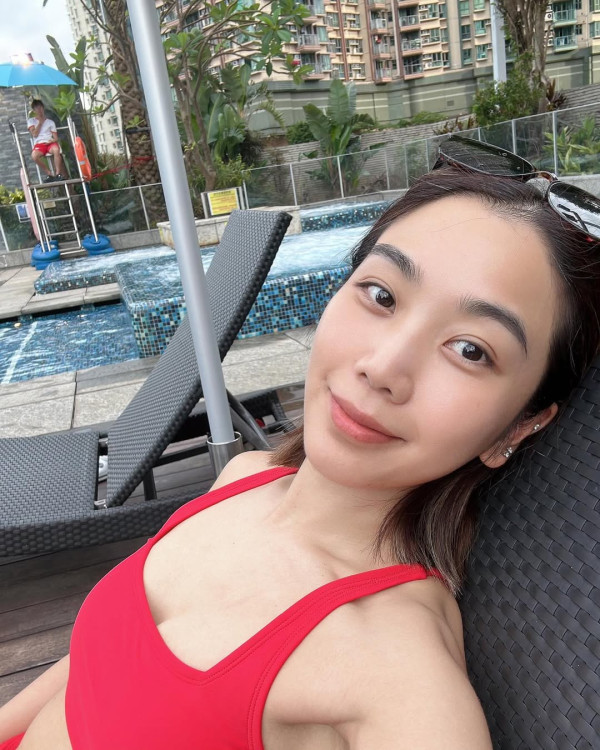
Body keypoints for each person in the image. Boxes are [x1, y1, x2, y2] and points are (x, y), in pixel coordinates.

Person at [1, 137, 600, 750]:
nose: (382, 367)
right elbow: (88, 666)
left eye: (470, 350)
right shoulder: (244, 477)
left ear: (518, 427)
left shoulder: (397, 682)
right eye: (382, 295)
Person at [27, 99, 67, 183]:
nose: (39, 110)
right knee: (34, 156)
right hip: (39, 144)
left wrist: (51, 141)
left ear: (43, 108)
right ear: (34, 110)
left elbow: (55, 138)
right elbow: (34, 134)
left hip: (50, 143)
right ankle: (49, 174)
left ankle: (58, 174)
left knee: (56, 150)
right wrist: (40, 123)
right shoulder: (31, 121)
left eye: (40, 108)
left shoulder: (50, 122)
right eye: (37, 108)